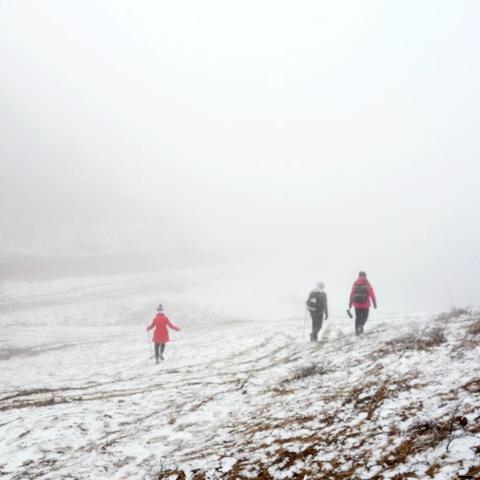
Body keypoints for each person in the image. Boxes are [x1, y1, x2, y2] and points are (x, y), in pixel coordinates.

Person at [349, 271, 377, 336]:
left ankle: (357, 330)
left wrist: (350, 303)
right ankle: (361, 325)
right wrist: (374, 303)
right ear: (365, 276)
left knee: (357, 318)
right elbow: (372, 294)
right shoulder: (367, 284)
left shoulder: (355, 283)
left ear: (359, 276)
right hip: (365, 305)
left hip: (357, 304)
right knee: (365, 317)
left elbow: (351, 294)